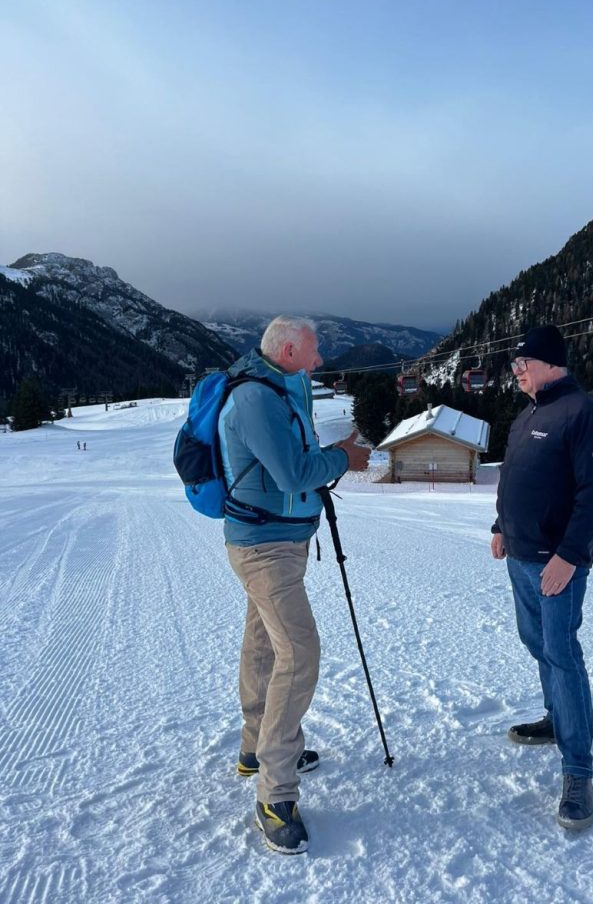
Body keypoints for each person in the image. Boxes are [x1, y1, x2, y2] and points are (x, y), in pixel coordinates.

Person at [219, 316, 370, 854]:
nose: (321, 359)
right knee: (299, 652)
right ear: (287, 350)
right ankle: (274, 794)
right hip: (264, 548)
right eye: (313, 350)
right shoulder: (257, 400)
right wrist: (343, 458)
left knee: (264, 642)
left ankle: (256, 748)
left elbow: (291, 462)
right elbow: (290, 474)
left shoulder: (283, 383)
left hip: (279, 539)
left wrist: (333, 453)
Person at [491, 324, 593, 830]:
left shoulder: (583, 413)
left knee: (561, 651)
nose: (516, 374)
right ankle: (557, 718)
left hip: (557, 561)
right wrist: (501, 525)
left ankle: (578, 769)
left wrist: (569, 556)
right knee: (536, 641)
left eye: (521, 365)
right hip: (520, 555)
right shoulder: (529, 414)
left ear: (547, 363)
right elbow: (514, 476)